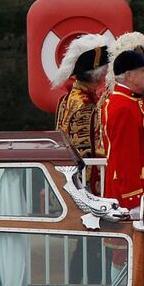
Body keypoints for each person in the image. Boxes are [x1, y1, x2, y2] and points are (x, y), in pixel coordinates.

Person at [50, 33, 111, 194]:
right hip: (81, 186)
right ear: (100, 73)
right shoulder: (85, 105)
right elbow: (85, 153)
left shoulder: (66, 99)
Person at [102, 46, 144, 212]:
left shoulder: (131, 101)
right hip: (134, 194)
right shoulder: (123, 107)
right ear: (129, 75)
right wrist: (133, 200)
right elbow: (124, 158)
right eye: (143, 70)